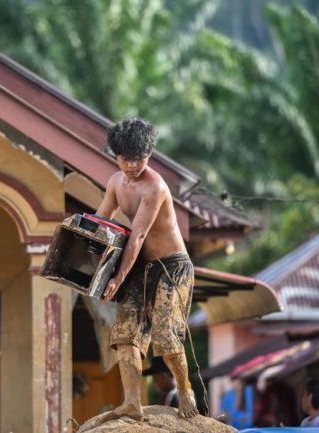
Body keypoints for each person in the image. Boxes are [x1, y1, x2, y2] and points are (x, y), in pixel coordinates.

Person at [95, 117, 198, 423]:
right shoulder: (115, 183)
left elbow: (137, 236)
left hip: (172, 266)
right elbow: (100, 223)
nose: (131, 166)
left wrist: (117, 278)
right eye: (125, 158)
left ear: (149, 155)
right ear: (115, 155)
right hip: (140, 266)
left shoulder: (155, 187)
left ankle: (185, 388)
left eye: (138, 158)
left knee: (165, 335)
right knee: (125, 335)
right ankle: (131, 402)